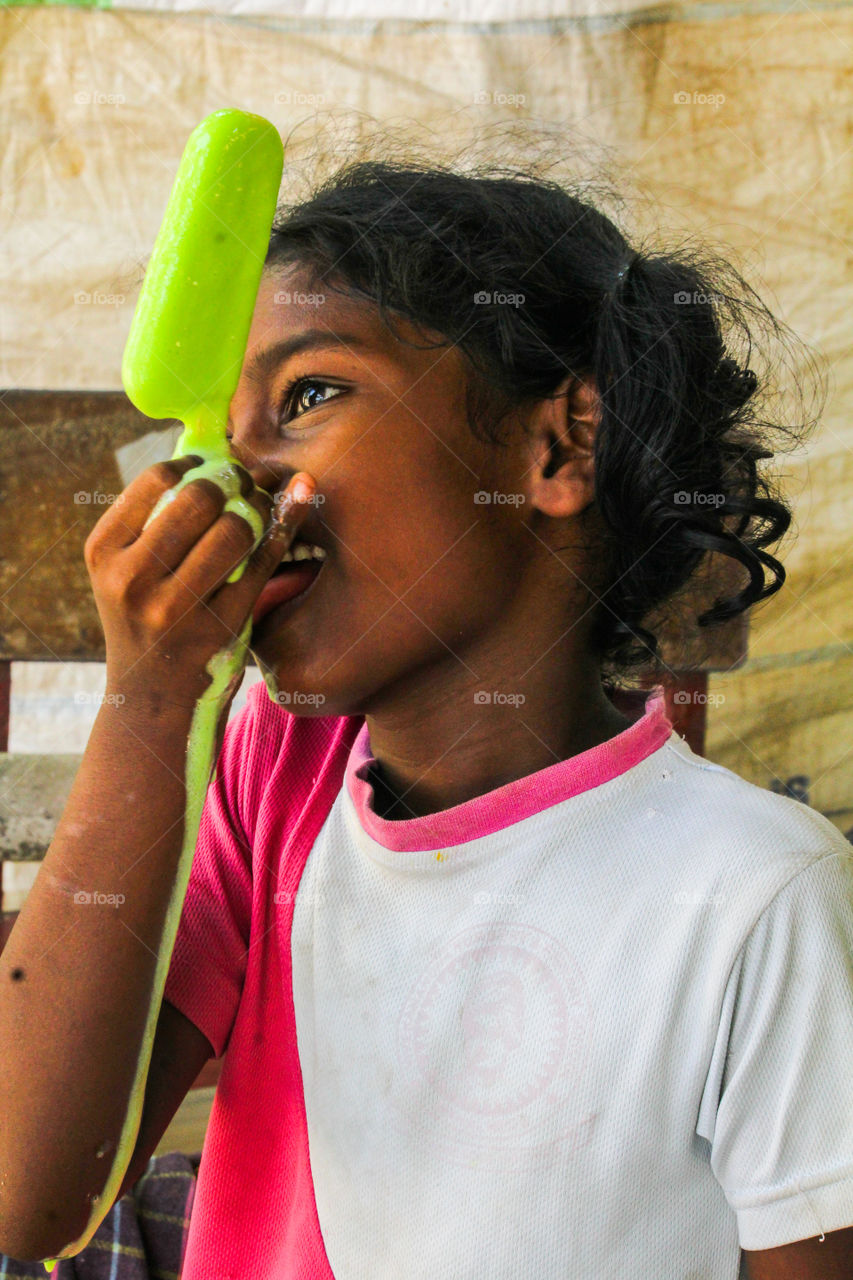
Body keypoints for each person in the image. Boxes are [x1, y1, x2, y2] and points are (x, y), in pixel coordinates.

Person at [3, 153, 851, 1279]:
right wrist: (150, 701)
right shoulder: (274, 781)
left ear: (556, 446)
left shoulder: (753, 892)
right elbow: (26, 1194)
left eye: (307, 396)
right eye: (228, 424)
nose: (234, 475)